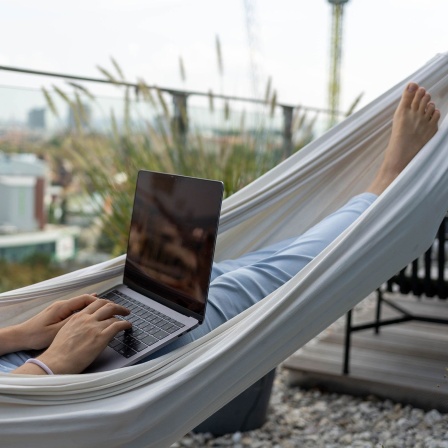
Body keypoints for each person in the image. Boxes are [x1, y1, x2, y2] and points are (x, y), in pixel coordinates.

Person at [0, 82, 441, 375]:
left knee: (223, 273)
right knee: (265, 282)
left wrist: (25, 333)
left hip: (30, 357)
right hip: (47, 385)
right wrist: (52, 363)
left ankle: (370, 203)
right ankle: (385, 187)